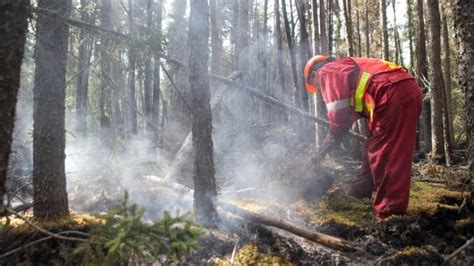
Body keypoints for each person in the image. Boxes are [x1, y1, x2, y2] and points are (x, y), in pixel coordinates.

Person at [304, 55, 423, 220]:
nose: (318, 93)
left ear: (314, 75)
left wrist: (321, 152)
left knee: (386, 154)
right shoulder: (343, 67)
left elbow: (339, 121)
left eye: (315, 87)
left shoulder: (328, 71)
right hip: (404, 89)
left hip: (391, 93)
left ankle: (390, 215)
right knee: (372, 147)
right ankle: (359, 193)